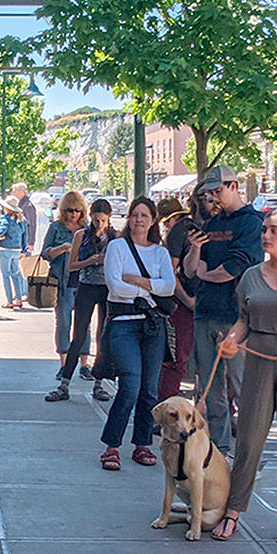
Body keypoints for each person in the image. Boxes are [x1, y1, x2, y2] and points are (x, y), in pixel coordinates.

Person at [210, 210, 277, 544]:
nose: (266, 235)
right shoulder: (251, 276)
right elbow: (244, 318)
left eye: (274, 230)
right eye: (264, 230)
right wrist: (231, 340)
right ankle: (234, 509)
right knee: (249, 435)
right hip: (258, 355)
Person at [183, 166, 263, 455]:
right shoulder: (212, 224)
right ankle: (219, 449)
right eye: (209, 193)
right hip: (206, 311)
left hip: (236, 316)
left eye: (218, 191)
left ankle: (250, 448)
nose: (213, 198)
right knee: (210, 386)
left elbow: (232, 269)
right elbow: (191, 269)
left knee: (241, 384)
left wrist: (205, 273)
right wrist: (194, 250)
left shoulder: (252, 222)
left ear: (234, 186)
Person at [99, 196, 177, 471]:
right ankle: (112, 445)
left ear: (153, 220)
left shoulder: (160, 253)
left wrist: (138, 281)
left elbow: (170, 287)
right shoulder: (118, 247)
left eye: (144, 215)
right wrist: (148, 289)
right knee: (130, 385)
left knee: (149, 389)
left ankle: (142, 443)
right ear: (128, 218)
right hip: (123, 323)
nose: (139, 220)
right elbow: (114, 285)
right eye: (135, 214)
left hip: (152, 326)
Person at [46, 198, 114, 402]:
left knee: (104, 336)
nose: (99, 225)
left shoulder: (115, 237)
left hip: (107, 289)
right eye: (96, 220)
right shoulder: (82, 235)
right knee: (79, 333)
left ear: (109, 218)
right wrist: (91, 261)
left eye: (103, 220)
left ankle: (99, 382)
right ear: (91, 216)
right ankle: (65, 382)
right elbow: (72, 265)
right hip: (86, 286)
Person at [156, 194, 202, 401]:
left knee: (178, 358)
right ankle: (167, 403)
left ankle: (168, 402)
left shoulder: (179, 230)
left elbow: (169, 273)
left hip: (188, 302)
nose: (167, 227)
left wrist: (187, 300)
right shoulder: (188, 229)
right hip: (189, 302)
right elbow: (171, 273)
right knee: (180, 358)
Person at [42, 191, 88, 370]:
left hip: (83, 280)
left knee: (84, 323)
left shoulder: (87, 228)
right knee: (64, 321)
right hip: (62, 281)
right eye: (70, 210)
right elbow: (45, 253)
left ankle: (84, 363)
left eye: (78, 210)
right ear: (63, 210)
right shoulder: (56, 228)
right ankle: (64, 363)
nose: (74, 214)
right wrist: (61, 249)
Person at [0, 196, 30, 308]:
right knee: (15, 274)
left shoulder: (6, 219)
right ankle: (18, 299)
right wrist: (24, 250)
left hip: (5, 249)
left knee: (5, 275)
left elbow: (1, 231)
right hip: (17, 249)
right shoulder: (22, 220)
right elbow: (25, 236)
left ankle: (9, 300)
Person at [14, 181, 38, 254]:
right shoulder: (19, 204)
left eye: (15, 192)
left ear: (22, 192)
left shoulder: (28, 206)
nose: (13, 194)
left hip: (24, 243)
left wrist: (31, 243)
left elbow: (32, 225)